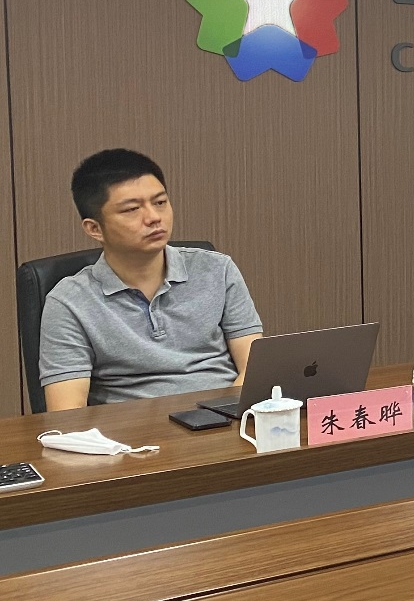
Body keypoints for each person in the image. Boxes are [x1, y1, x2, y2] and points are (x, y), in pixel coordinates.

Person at [39, 149, 264, 410]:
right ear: (94, 228)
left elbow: (255, 368)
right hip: (132, 431)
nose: (154, 218)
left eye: (160, 202)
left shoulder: (217, 269)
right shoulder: (68, 302)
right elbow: (67, 413)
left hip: (224, 418)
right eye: (132, 209)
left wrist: (222, 416)